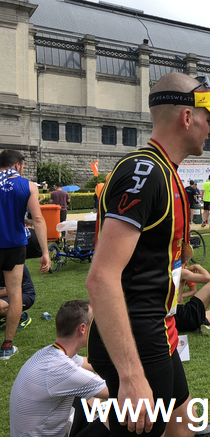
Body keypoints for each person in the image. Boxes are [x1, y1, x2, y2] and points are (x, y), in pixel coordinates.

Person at [86, 72, 210, 436]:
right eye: (208, 119)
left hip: (161, 329)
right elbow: (101, 277)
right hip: (138, 338)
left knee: (181, 423)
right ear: (187, 117)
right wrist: (131, 375)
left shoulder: (166, 171)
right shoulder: (146, 172)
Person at [10, 300, 110, 437]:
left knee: (91, 388)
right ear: (82, 328)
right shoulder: (61, 369)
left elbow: (92, 364)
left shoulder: (51, 353)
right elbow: (118, 391)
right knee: (126, 411)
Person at [0, 149, 50, 360]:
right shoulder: (28, 186)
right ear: (17, 165)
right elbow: (37, 219)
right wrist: (45, 252)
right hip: (14, 245)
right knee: (15, 294)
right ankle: (7, 346)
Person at [0, 265, 35, 330]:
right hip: (6, 296)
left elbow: (11, 290)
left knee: (0, 306)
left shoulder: (13, 264)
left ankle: (22, 317)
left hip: (23, 294)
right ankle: (6, 316)